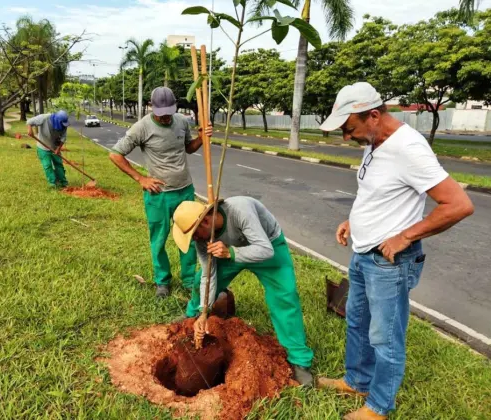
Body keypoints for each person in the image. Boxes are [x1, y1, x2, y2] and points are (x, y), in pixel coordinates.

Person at [317, 82, 474, 420]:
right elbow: (377, 193)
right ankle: (357, 381)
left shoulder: (408, 148)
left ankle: (378, 406)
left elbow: (458, 204)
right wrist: (353, 220)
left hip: (389, 263)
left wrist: (405, 236)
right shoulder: (375, 141)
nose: (347, 138)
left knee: (385, 337)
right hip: (363, 253)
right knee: (357, 321)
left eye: (350, 129)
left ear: (374, 115)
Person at [171, 197, 315, 386]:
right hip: (227, 251)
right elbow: (208, 274)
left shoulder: (241, 210)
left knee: (284, 297)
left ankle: (299, 361)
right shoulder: (204, 238)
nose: (195, 241)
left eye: (195, 236)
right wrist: (204, 310)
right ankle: (192, 314)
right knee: (199, 281)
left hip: (267, 246)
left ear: (205, 221)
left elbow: (265, 249)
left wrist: (231, 253)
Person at [109, 87, 212, 299]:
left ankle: (189, 280)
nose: (165, 117)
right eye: (161, 113)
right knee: (159, 240)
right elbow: (115, 154)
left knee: (189, 235)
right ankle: (162, 281)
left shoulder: (182, 121)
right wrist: (141, 178)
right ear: (151, 107)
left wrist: (202, 138)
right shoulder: (142, 128)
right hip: (159, 195)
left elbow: (189, 148)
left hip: (185, 190)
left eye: (169, 112)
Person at [27, 110, 70, 189]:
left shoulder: (64, 125)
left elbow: (63, 138)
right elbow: (29, 121)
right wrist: (30, 129)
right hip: (43, 147)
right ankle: (53, 183)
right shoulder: (44, 118)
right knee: (47, 165)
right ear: (57, 121)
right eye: (62, 123)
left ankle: (63, 182)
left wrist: (58, 149)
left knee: (59, 164)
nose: (64, 126)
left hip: (55, 147)